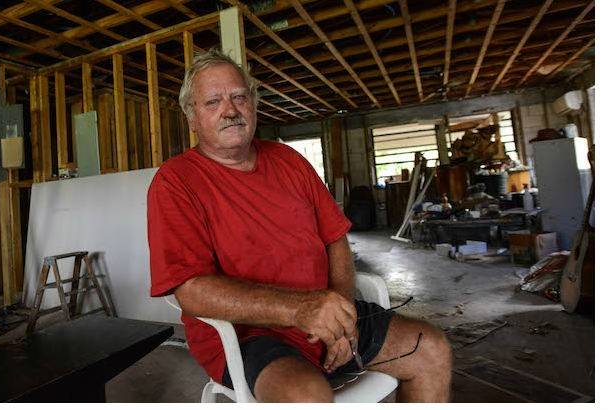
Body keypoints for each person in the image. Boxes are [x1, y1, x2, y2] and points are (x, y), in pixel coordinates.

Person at [147, 49, 452, 402]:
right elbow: (191, 290)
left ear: (253, 105)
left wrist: (340, 316)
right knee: (306, 397)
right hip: (249, 334)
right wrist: (300, 309)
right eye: (213, 101)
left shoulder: (288, 159)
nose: (230, 110)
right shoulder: (175, 181)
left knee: (431, 349)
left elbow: (335, 238)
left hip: (326, 313)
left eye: (239, 97)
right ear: (192, 118)